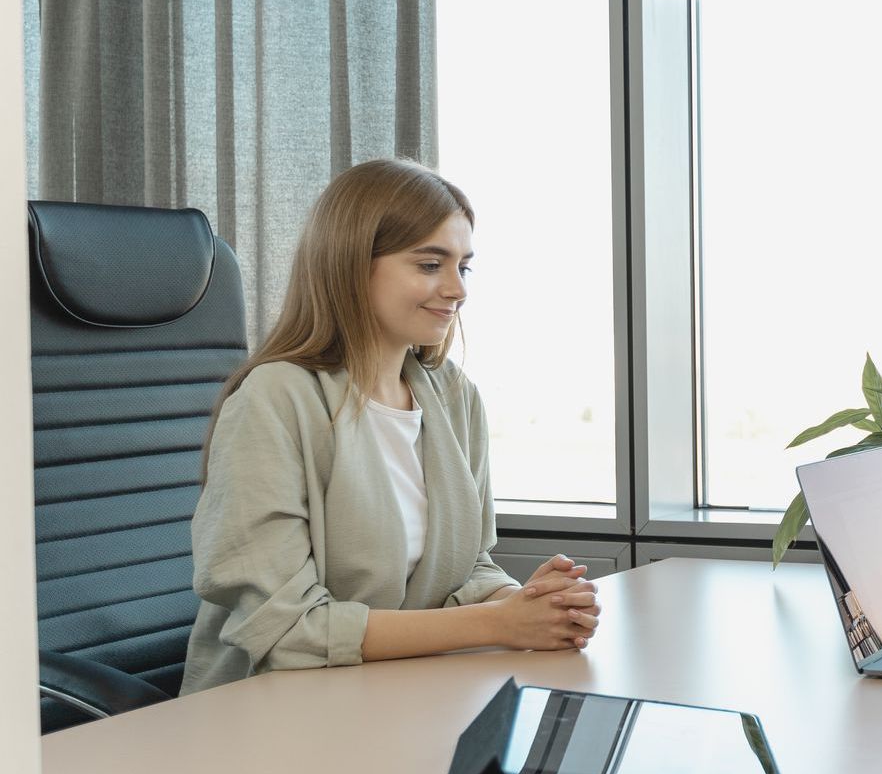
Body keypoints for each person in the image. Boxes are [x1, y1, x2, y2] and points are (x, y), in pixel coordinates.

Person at [182, 158, 597, 694]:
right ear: (352, 265)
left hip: (397, 696)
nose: (457, 289)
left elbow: (468, 569)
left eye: (463, 267)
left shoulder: (453, 397)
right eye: (429, 265)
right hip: (273, 714)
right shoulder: (274, 400)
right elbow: (286, 631)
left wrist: (529, 604)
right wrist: (498, 623)